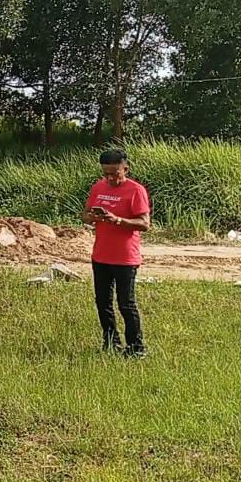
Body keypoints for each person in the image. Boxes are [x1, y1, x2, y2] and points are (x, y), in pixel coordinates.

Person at [81, 149, 151, 358]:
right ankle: (111, 341)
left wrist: (118, 220)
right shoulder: (98, 187)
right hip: (101, 255)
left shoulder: (136, 191)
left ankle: (136, 348)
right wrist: (92, 217)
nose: (110, 178)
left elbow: (144, 224)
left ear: (125, 169)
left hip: (125, 258)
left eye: (115, 173)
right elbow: (85, 215)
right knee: (102, 302)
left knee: (126, 304)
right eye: (106, 173)